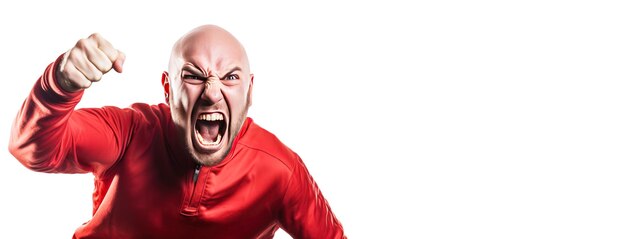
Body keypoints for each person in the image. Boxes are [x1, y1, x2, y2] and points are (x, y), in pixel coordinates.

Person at [9, 24, 346, 239]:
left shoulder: (280, 171)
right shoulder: (130, 132)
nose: (212, 92)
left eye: (230, 77)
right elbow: (31, 148)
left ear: (249, 91)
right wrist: (59, 84)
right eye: (194, 75)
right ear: (167, 89)